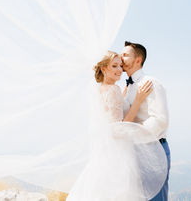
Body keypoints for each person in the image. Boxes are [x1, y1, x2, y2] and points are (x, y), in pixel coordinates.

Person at [66, 51, 168, 201]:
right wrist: (138, 100)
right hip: (119, 151)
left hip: (106, 149)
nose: (120, 69)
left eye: (120, 65)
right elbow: (118, 128)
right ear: (103, 69)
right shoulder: (113, 90)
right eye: (114, 66)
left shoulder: (101, 89)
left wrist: (125, 94)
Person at [122, 41, 170, 201]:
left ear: (138, 60)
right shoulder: (127, 87)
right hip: (134, 151)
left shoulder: (151, 83)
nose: (121, 58)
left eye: (125, 55)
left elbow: (160, 120)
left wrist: (131, 132)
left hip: (153, 150)